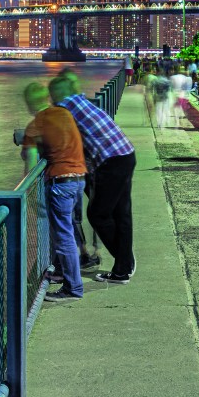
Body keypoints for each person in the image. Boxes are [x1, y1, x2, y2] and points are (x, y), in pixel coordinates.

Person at [51, 74, 137, 284]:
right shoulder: (82, 101)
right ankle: (122, 268)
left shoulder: (64, 109)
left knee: (98, 214)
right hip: (126, 152)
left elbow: (55, 136)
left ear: (58, 93)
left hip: (110, 161)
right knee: (121, 213)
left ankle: (124, 261)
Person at [21, 82, 87, 302]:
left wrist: (29, 197)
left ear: (30, 104)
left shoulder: (34, 125)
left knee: (63, 236)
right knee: (69, 228)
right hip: (79, 178)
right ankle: (62, 273)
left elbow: (30, 165)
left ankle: (73, 288)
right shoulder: (64, 114)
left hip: (60, 182)